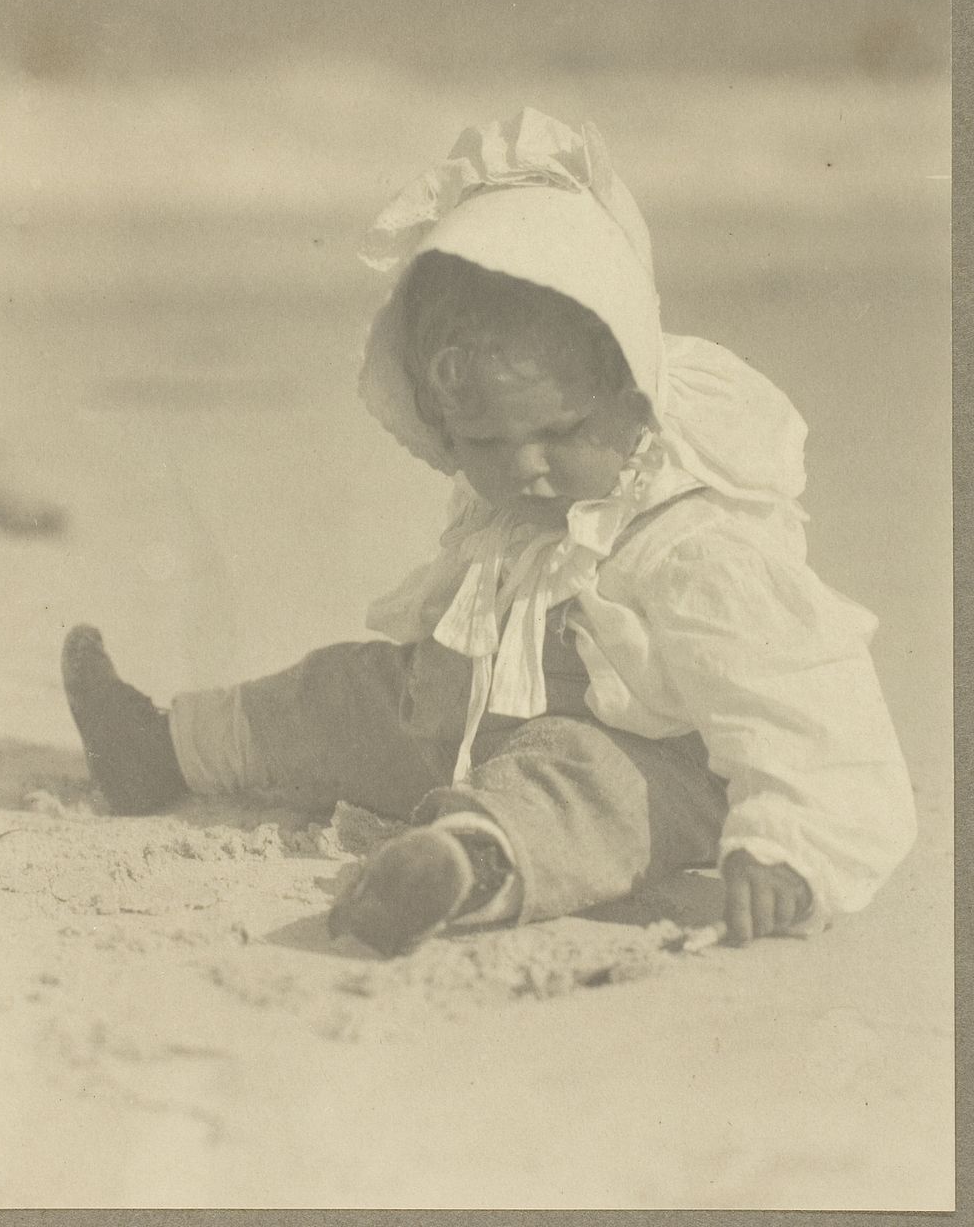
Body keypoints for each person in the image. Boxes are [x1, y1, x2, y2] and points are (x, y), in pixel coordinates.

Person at [62, 108, 916, 957]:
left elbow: (805, 705)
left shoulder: (692, 546)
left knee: (575, 789)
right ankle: (165, 746)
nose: (523, 471)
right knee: (347, 692)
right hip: (466, 714)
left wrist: (786, 848)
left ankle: (460, 868)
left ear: (635, 398)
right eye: (484, 443)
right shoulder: (521, 504)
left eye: (559, 433)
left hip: (645, 762)